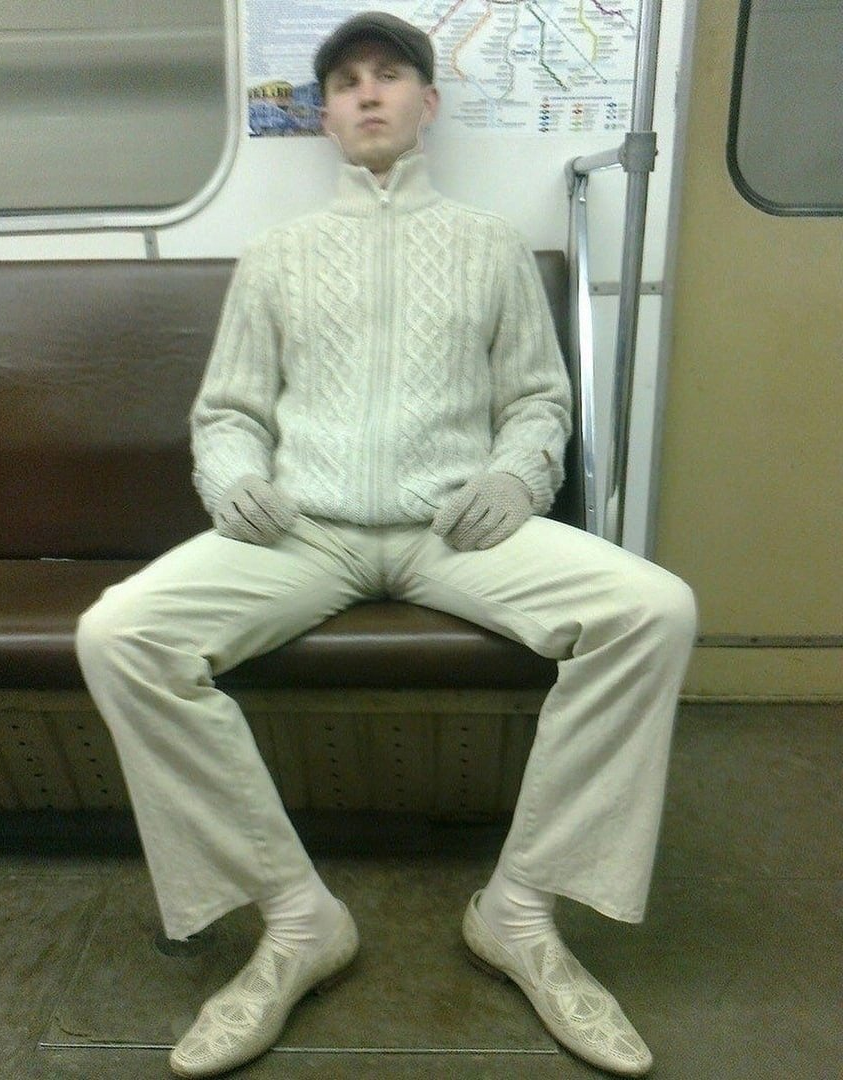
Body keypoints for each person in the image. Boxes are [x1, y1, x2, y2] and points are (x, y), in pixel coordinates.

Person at [76, 12, 696, 1079]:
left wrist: (518, 476)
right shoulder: (276, 256)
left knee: (654, 610)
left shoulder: (491, 246)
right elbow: (228, 412)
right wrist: (233, 479)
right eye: (347, 83)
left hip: (452, 530)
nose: (368, 93)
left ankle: (520, 910)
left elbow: (538, 401)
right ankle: (295, 917)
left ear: (427, 103)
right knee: (120, 634)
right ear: (325, 117)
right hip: (303, 531)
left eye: (391, 76)